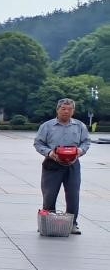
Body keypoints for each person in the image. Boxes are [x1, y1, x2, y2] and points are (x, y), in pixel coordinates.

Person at [34, 97, 91, 234]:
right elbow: (38, 143)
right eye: (63, 109)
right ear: (57, 110)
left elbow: (86, 142)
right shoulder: (47, 126)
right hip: (52, 164)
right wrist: (50, 153)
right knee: (49, 194)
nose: (66, 112)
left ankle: (72, 224)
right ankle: (47, 222)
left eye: (70, 109)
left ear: (73, 111)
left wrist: (79, 151)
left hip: (72, 164)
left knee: (73, 194)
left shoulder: (80, 126)